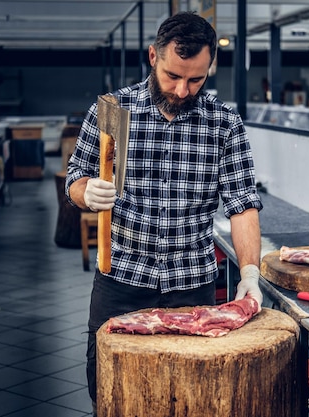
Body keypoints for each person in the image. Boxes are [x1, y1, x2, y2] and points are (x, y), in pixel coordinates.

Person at [65, 11, 263, 411]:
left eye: (196, 79)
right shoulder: (113, 112)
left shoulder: (224, 124)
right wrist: (88, 193)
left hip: (191, 288)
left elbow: (242, 205)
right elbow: (76, 177)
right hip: (120, 280)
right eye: (174, 76)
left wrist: (250, 274)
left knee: (189, 398)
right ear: (153, 56)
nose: (184, 90)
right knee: (110, 391)